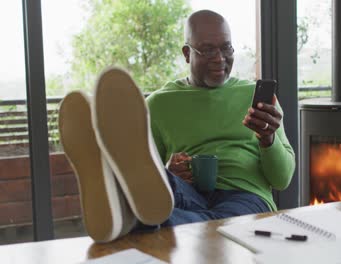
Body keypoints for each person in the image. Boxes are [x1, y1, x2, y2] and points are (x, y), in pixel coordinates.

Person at [58, 10, 295, 243]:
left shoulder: (255, 97)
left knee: (210, 222)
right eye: (209, 49)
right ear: (186, 53)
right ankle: (115, 184)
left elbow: (282, 179)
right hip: (185, 192)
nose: (220, 58)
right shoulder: (159, 104)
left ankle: (125, 218)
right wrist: (168, 170)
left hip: (245, 195)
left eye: (226, 48)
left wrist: (268, 138)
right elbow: (146, 170)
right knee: (159, 190)